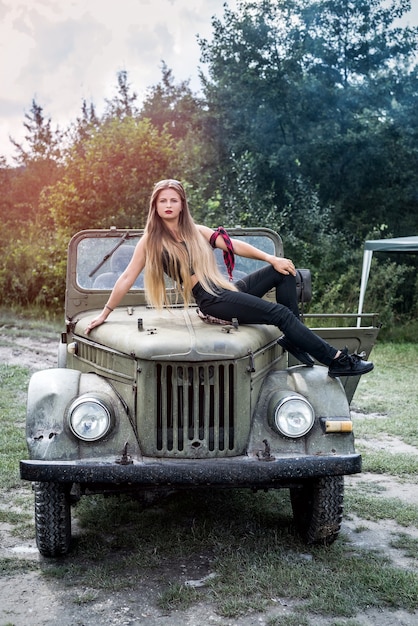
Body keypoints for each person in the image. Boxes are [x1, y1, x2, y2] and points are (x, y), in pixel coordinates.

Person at [86, 179, 373, 378]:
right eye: (163, 201)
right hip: (211, 299)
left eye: (174, 200)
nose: (169, 205)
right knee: (281, 314)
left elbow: (234, 245)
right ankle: (337, 360)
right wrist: (105, 312)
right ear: (156, 206)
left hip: (223, 287)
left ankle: (296, 339)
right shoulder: (151, 241)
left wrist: (271, 258)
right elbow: (125, 277)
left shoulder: (196, 230)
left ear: (182, 204)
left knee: (284, 271)